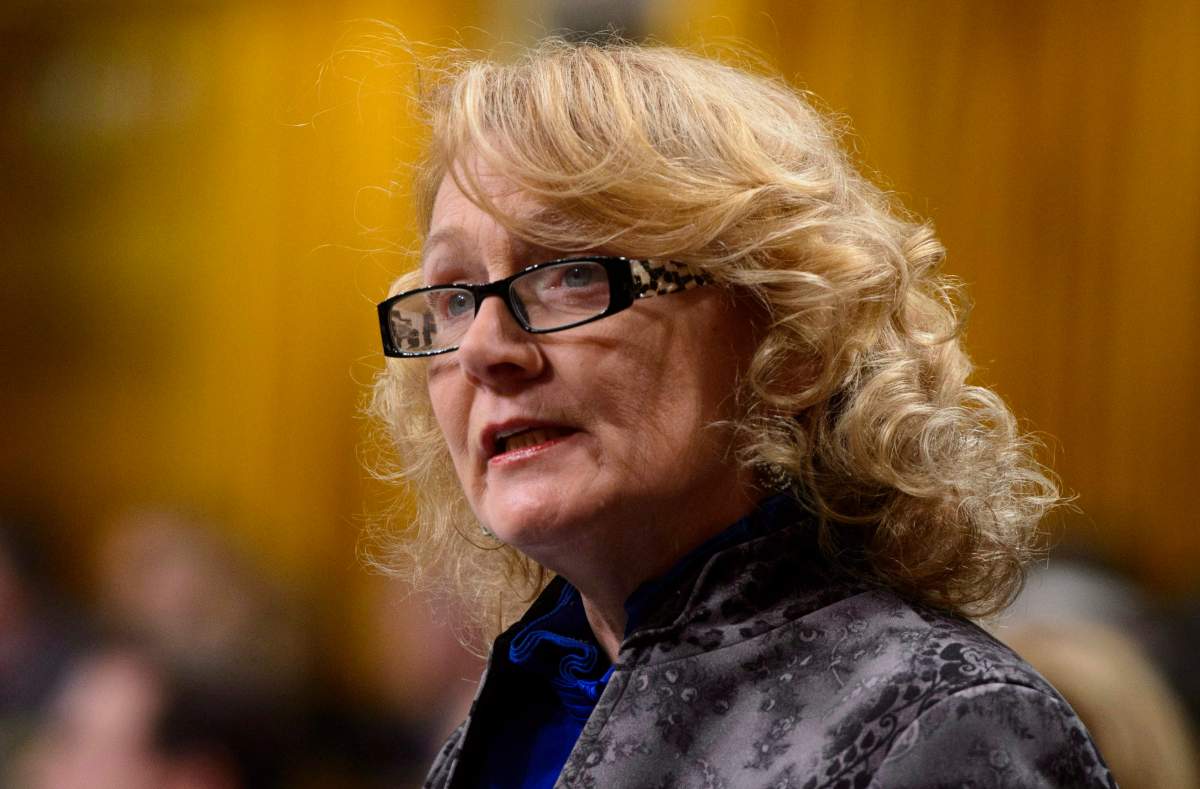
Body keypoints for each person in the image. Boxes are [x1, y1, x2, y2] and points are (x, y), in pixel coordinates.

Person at [369, 38, 1115, 787]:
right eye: (456, 294)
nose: (484, 349)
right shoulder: (517, 715)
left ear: (786, 328)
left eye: (570, 273)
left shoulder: (941, 724)